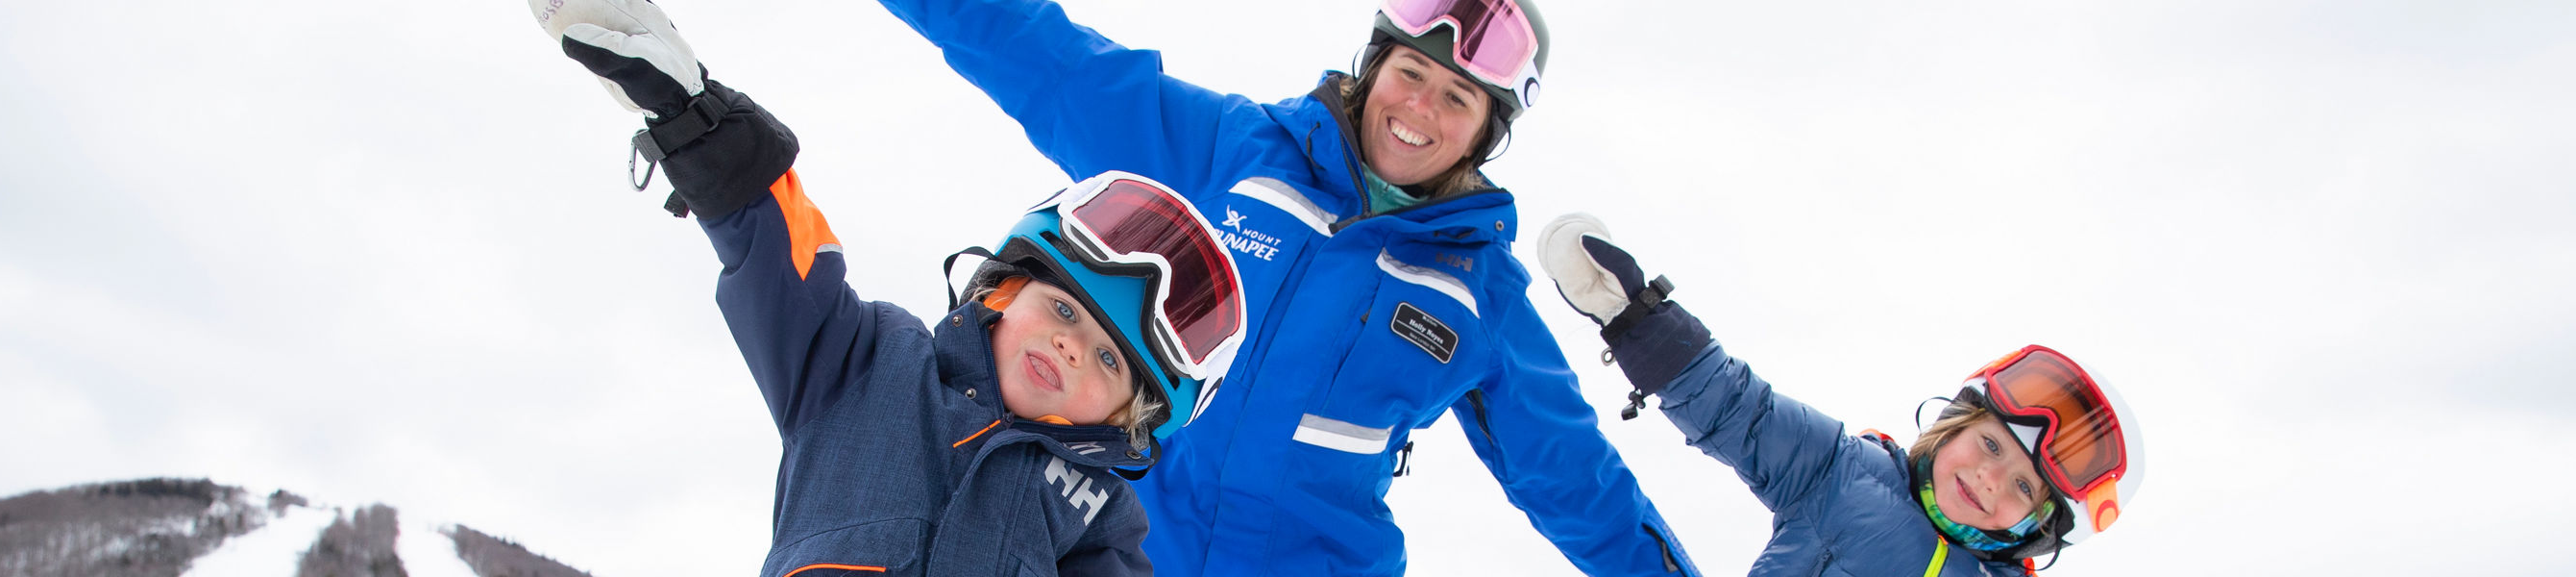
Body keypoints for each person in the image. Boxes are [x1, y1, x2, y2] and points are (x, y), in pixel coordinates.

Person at [861, 0, 1695, 574]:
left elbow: (1577, 483)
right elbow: (1047, 64)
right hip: (1127, 555)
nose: (1420, 109)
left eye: (1458, 98)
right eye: (1410, 73)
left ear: (1487, 131)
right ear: (1375, 66)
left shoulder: (1483, 296)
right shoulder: (1232, 151)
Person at [525, 1, 1251, 574]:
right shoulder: (867, 365)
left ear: (1129, 415)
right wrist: (694, 116)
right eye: (1063, 308)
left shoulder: (1099, 522)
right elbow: (781, 252)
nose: (1068, 346)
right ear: (1000, 293)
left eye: (1106, 360)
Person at [1536, 213, 2150, 576]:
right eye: (1990, 444)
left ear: (2040, 529)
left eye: (2023, 487)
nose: (1990, 479)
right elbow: (1738, 408)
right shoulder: (1840, 471)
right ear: (1953, 426)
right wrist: (1639, 318)